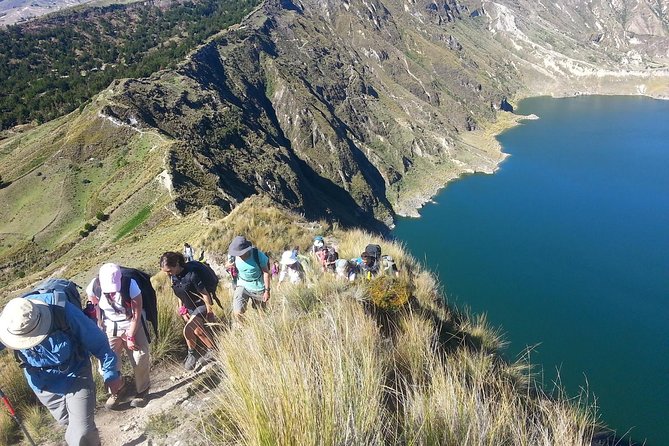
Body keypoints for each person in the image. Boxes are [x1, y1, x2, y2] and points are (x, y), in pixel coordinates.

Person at [0, 296, 123, 446]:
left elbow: (100, 344)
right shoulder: (10, 322)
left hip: (76, 375)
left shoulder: (63, 312)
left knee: (80, 432)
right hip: (43, 386)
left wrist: (111, 374)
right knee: (70, 424)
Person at [86, 263, 151, 409]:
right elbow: (95, 307)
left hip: (131, 323)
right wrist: (98, 327)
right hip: (110, 325)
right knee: (107, 362)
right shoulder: (94, 286)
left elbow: (136, 313)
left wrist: (130, 336)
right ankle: (117, 389)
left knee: (139, 356)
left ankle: (142, 390)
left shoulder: (131, 285)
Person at [159, 252, 216, 371]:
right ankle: (213, 350)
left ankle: (192, 353)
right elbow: (179, 294)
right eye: (165, 272)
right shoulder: (172, 276)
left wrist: (210, 311)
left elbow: (204, 294)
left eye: (169, 270)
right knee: (198, 331)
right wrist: (182, 309)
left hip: (200, 305)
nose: (167, 274)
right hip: (189, 308)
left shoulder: (191, 275)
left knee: (188, 329)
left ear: (176, 264)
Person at [228, 236, 271, 321]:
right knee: (237, 312)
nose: (238, 255)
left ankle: (261, 329)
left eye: (240, 253)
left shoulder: (258, 255)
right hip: (242, 284)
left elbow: (266, 273)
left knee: (261, 313)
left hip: (258, 286)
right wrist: (230, 265)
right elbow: (228, 264)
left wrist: (267, 291)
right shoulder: (233, 255)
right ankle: (245, 327)